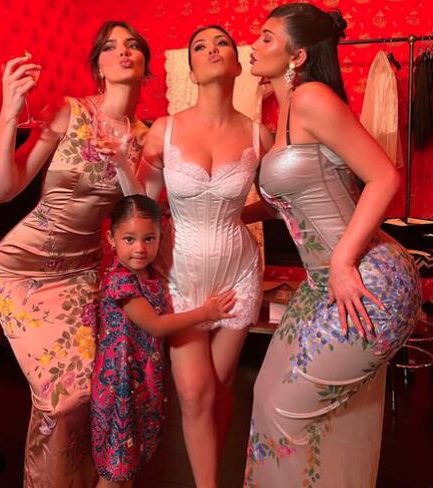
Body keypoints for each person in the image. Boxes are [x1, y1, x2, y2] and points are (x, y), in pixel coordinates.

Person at [243, 4, 422, 486]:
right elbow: (293, 200)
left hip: (366, 277)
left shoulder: (311, 98)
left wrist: (343, 262)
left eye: (266, 37)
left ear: (297, 55)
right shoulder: (287, 109)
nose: (253, 46)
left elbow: (384, 176)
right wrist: (231, 216)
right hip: (324, 281)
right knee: (265, 398)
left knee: (284, 410)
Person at [0, 21, 151, 486]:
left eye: (132, 45)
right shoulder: (69, 112)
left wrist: (124, 163)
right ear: (98, 65)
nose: (123, 51)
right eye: (111, 46)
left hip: (82, 273)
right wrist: (9, 111)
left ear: (145, 66)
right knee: (58, 399)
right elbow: (2, 189)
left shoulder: (147, 137)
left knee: (84, 395)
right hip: (21, 269)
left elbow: (141, 216)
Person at [137, 25, 272, 488]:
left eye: (222, 44)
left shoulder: (259, 135)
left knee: (221, 385)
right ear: (191, 70)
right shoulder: (164, 130)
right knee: (195, 393)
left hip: (238, 273)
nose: (212, 49)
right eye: (200, 46)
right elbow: (142, 203)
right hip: (181, 274)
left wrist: (237, 214)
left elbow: (280, 200)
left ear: (237, 65)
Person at [91, 195, 237, 487]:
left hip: (139, 382)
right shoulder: (120, 281)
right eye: (129, 239)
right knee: (114, 473)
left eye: (149, 239)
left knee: (128, 465)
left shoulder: (150, 273)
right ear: (111, 239)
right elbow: (156, 326)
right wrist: (205, 313)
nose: (140, 248)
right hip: (119, 386)